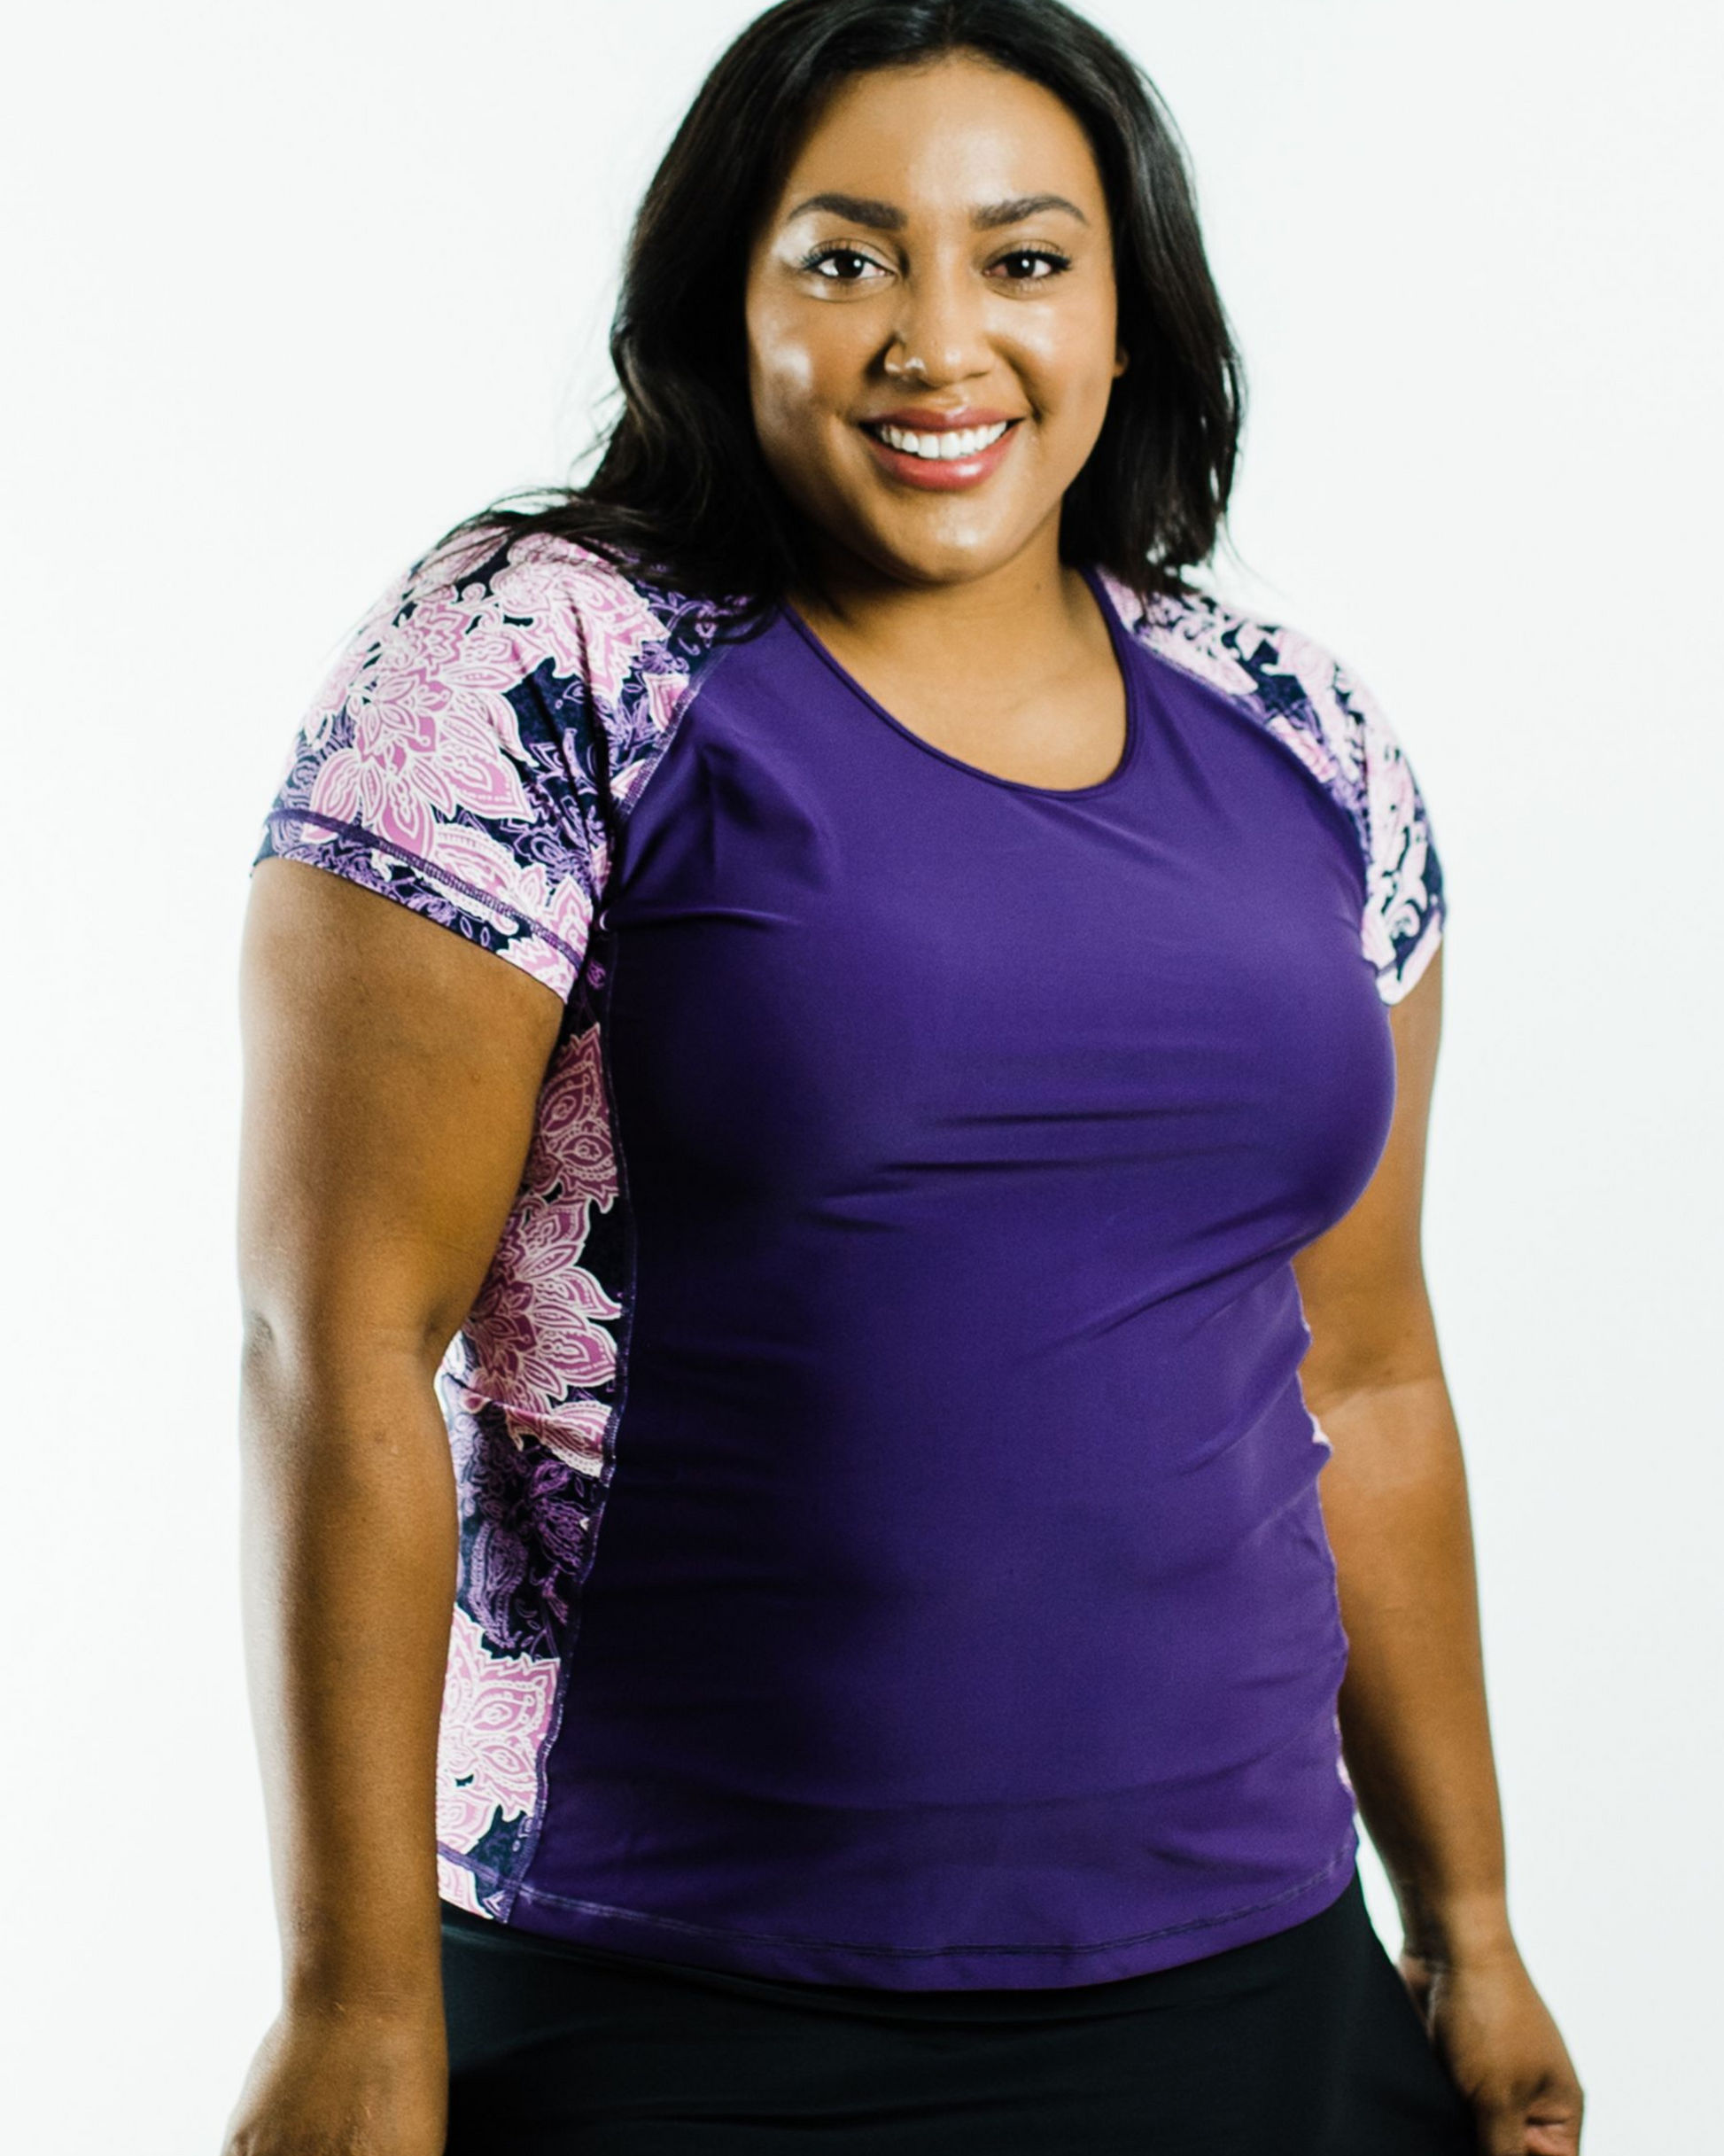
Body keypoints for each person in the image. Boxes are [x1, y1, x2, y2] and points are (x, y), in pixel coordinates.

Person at [221, 3, 1585, 2152]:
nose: (937, 339)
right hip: (669, 1990)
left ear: (1126, 322)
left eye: (1023, 261)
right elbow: (338, 1349)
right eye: (846, 258)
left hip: (1257, 1989)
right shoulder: (545, 660)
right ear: (723, 305)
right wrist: (356, 2003)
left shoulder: (1301, 728)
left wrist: (1475, 1921)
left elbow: (1371, 1365)